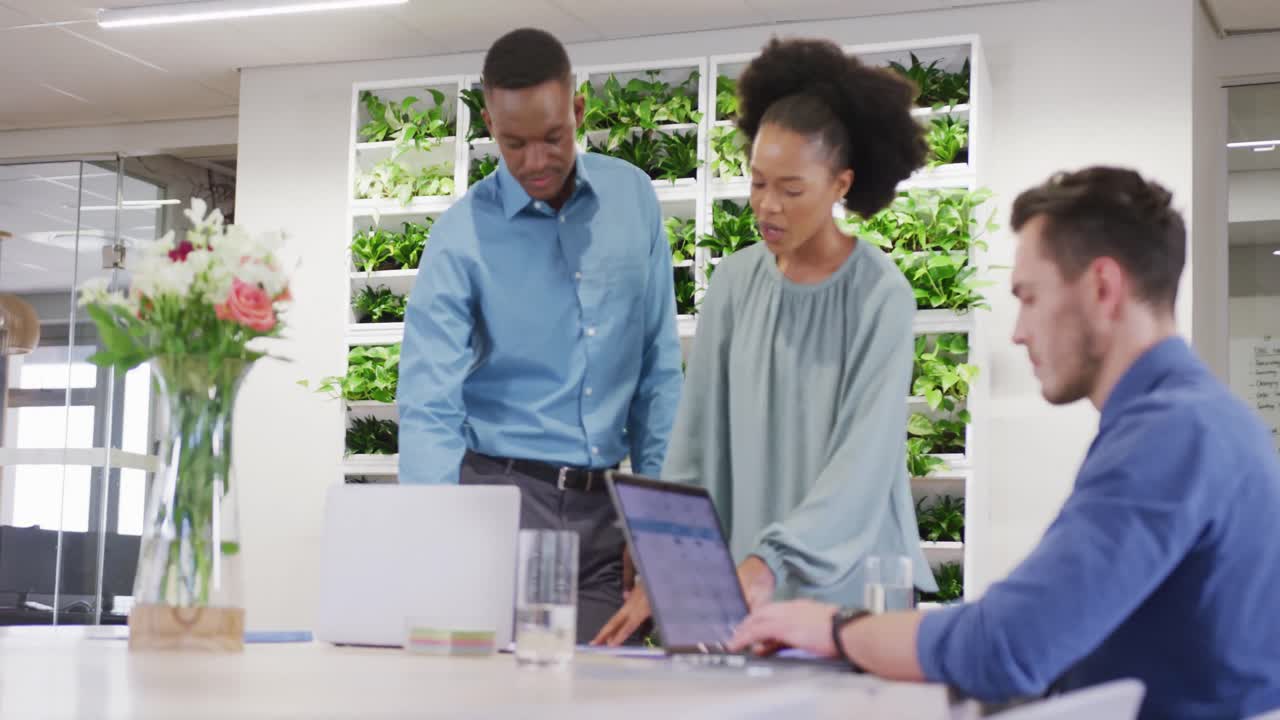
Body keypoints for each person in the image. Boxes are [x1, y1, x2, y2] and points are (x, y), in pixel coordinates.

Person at [728, 166, 1280, 719]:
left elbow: (1008, 647)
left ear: (1103, 288)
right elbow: (1049, 631)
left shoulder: (1171, 434)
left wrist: (837, 628)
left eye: (1030, 297)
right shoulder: (1198, 420)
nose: (1018, 331)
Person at [593, 37, 936, 646]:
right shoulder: (734, 283)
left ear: (841, 185)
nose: (767, 206)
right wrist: (668, 560)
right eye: (756, 183)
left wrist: (770, 561)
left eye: (791, 189)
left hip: (853, 590)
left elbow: (863, 466)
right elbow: (694, 442)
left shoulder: (881, 295)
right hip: (750, 586)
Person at [396, 27, 684, 643]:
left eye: (553, 138)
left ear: (578, 112)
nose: (534, 162)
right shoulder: (460, 235)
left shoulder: (632, 199)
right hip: (500, 506)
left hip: (607, 514)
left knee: (604, 695)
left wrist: (657, 524)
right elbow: (428, 405)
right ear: (488, 122)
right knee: (490, 699)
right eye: (513, 142)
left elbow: (658, 372)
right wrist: (438, 535)